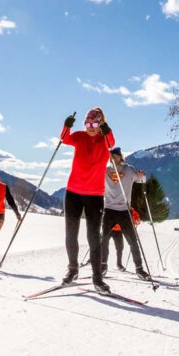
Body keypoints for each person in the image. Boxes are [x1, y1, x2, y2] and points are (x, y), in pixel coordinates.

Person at [60, 107, 115, 293]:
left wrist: (108, 131)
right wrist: (66, 126)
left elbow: (112, 142)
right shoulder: (80, 137)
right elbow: (65, 139)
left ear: (101, 124)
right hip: (73, 192)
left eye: (95, 124)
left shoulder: (104, 139)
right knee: (71, 233)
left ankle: (97, 279)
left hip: (95, 195)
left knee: (93, 238)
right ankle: (72, 270)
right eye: (88, 124)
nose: (90, 127)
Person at [101, 148, 150, 280]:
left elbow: (142, 180)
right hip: (109, 209)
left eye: (115, 156)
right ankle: (103, 266)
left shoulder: (128, 170)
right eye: (110, 156)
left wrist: (141, 176)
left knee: (133, 241)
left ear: (120, 157)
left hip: (124, 210)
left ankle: (139, 269)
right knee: (103, 239)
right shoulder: (105, 171)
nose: (112, 158)